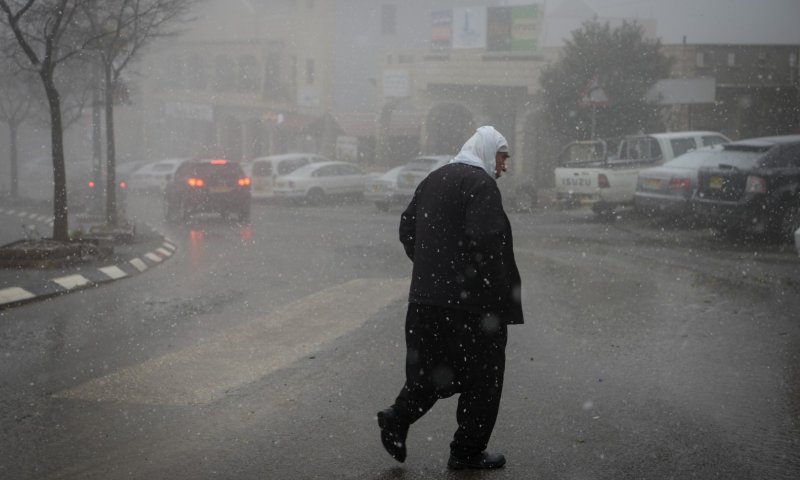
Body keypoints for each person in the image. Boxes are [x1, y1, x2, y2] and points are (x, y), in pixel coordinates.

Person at [377, 126, 524, 470]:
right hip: (471, 306)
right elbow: (485, 241)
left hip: (425, 302)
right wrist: (494, 293)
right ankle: (467, 451)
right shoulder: (480, 184)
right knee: (484, 377)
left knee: (432, 371)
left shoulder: (433, 178)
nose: (503, 167)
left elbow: (407, 227)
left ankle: (397, 418)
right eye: (502, 158)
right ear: (487, 151)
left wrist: (432, 270)